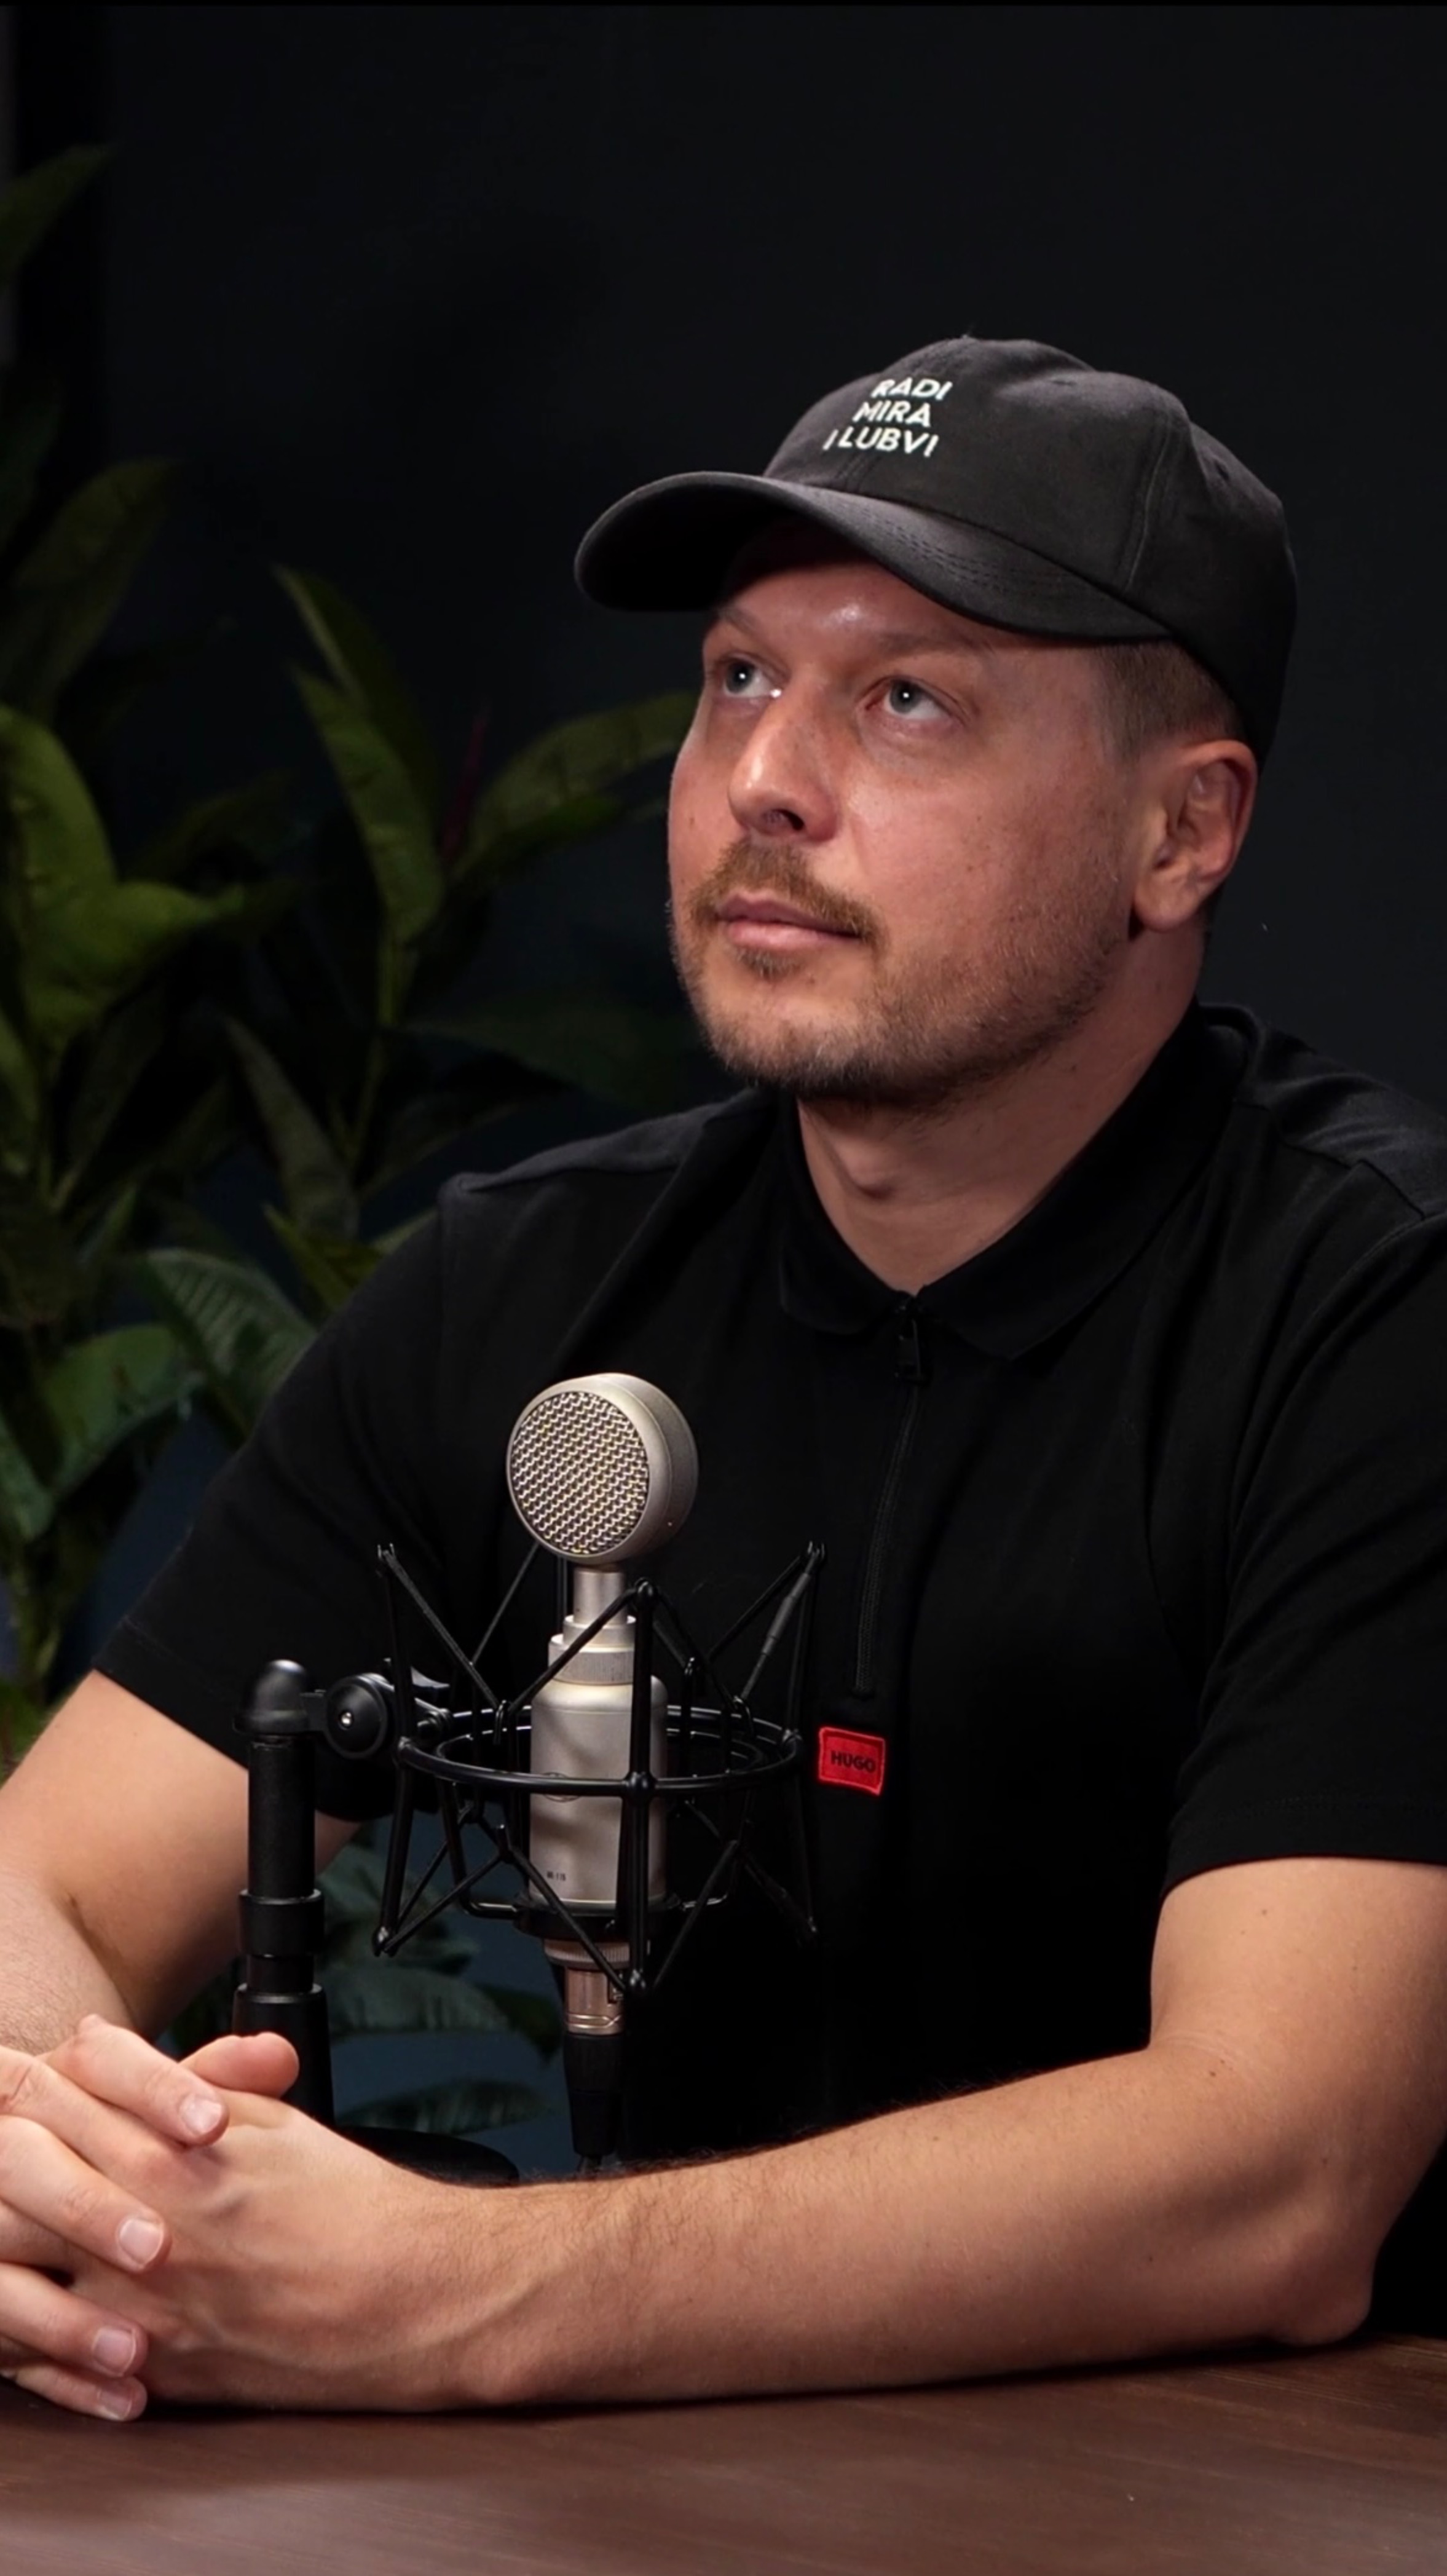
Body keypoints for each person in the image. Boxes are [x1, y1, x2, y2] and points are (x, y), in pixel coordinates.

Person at [4, 334, 1447, 2424]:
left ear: (1179, 830)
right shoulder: (523, 1286)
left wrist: (452, 2291)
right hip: (665, 2500)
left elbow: (1277, 2171)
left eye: (907, 699)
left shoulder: (1376, 1317)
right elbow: (46, 1881)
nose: (766, 776)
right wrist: (77, 2178)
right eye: (738, 677)